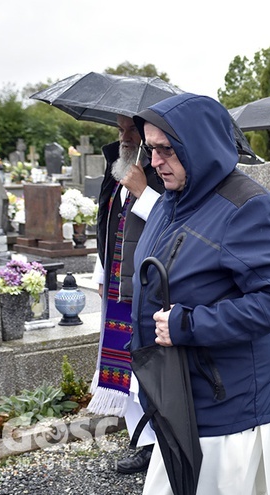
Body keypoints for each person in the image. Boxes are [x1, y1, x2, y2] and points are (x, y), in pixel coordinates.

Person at [130, 93, 270, 495]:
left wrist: (187, 324)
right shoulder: (168, 202)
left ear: (198, 144)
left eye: (166, 150)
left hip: (223, 402)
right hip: (175, 393)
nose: (154, 162)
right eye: (150, 149)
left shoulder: (246, 206)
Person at [87, 113, 164, 474]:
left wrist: (143, 192)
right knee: (125, 369)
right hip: (118, 284)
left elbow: (173, 222)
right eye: (120, 130)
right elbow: (109, 222)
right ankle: (143, 442)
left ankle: (161, 440)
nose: (125, 137)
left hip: (148, 287)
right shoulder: (118, 166)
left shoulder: (165, 169)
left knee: (146, 367)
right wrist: (101, 270)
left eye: (131, 130)